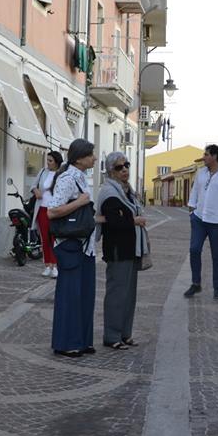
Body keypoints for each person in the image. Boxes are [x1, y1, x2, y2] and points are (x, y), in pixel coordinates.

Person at [47, 139, 97, 358]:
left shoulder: (81, 178)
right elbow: (52, 211)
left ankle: (82, 340)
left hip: (85, 246)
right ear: (79, 158)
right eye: (91, 154)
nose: (94, 158)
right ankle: (67, 343)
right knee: (70, 295)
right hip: (71, 244)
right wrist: (81, 202)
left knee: (84, 295)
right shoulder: (68, 179)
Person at [96, 151, 148, 350]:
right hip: (118, 250)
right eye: (119, 167)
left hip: (131, 248)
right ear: (111, 171)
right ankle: (112, 336)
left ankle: (126, 333)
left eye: (126, 165)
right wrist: (134, 220)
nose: (125, 169)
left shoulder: (128, 191)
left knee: (129, 295)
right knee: (117, 294)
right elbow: (114, 221)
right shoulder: (109, 193)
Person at [185, 144, 218, 300]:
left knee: (217, 255)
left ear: (215, 156)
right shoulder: (201, 173)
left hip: (217, 222)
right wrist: (192, 211)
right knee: (194, 250)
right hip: (199, 219)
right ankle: (196, 283)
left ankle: (217, 288)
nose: (204, 157)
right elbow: (194, 192)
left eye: (206, 154)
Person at [31, 150, 63, 277]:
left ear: (56, 162)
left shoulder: (62, 174)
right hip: (42, 209)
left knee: (54, 238)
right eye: (47, 160)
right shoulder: (43, 172)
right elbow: (33, 185)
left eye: (50, 161)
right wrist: (35, 190)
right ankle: (47, 265)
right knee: (44, 238)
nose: (48, 163)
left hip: (55, 210)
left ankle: (55, 266)